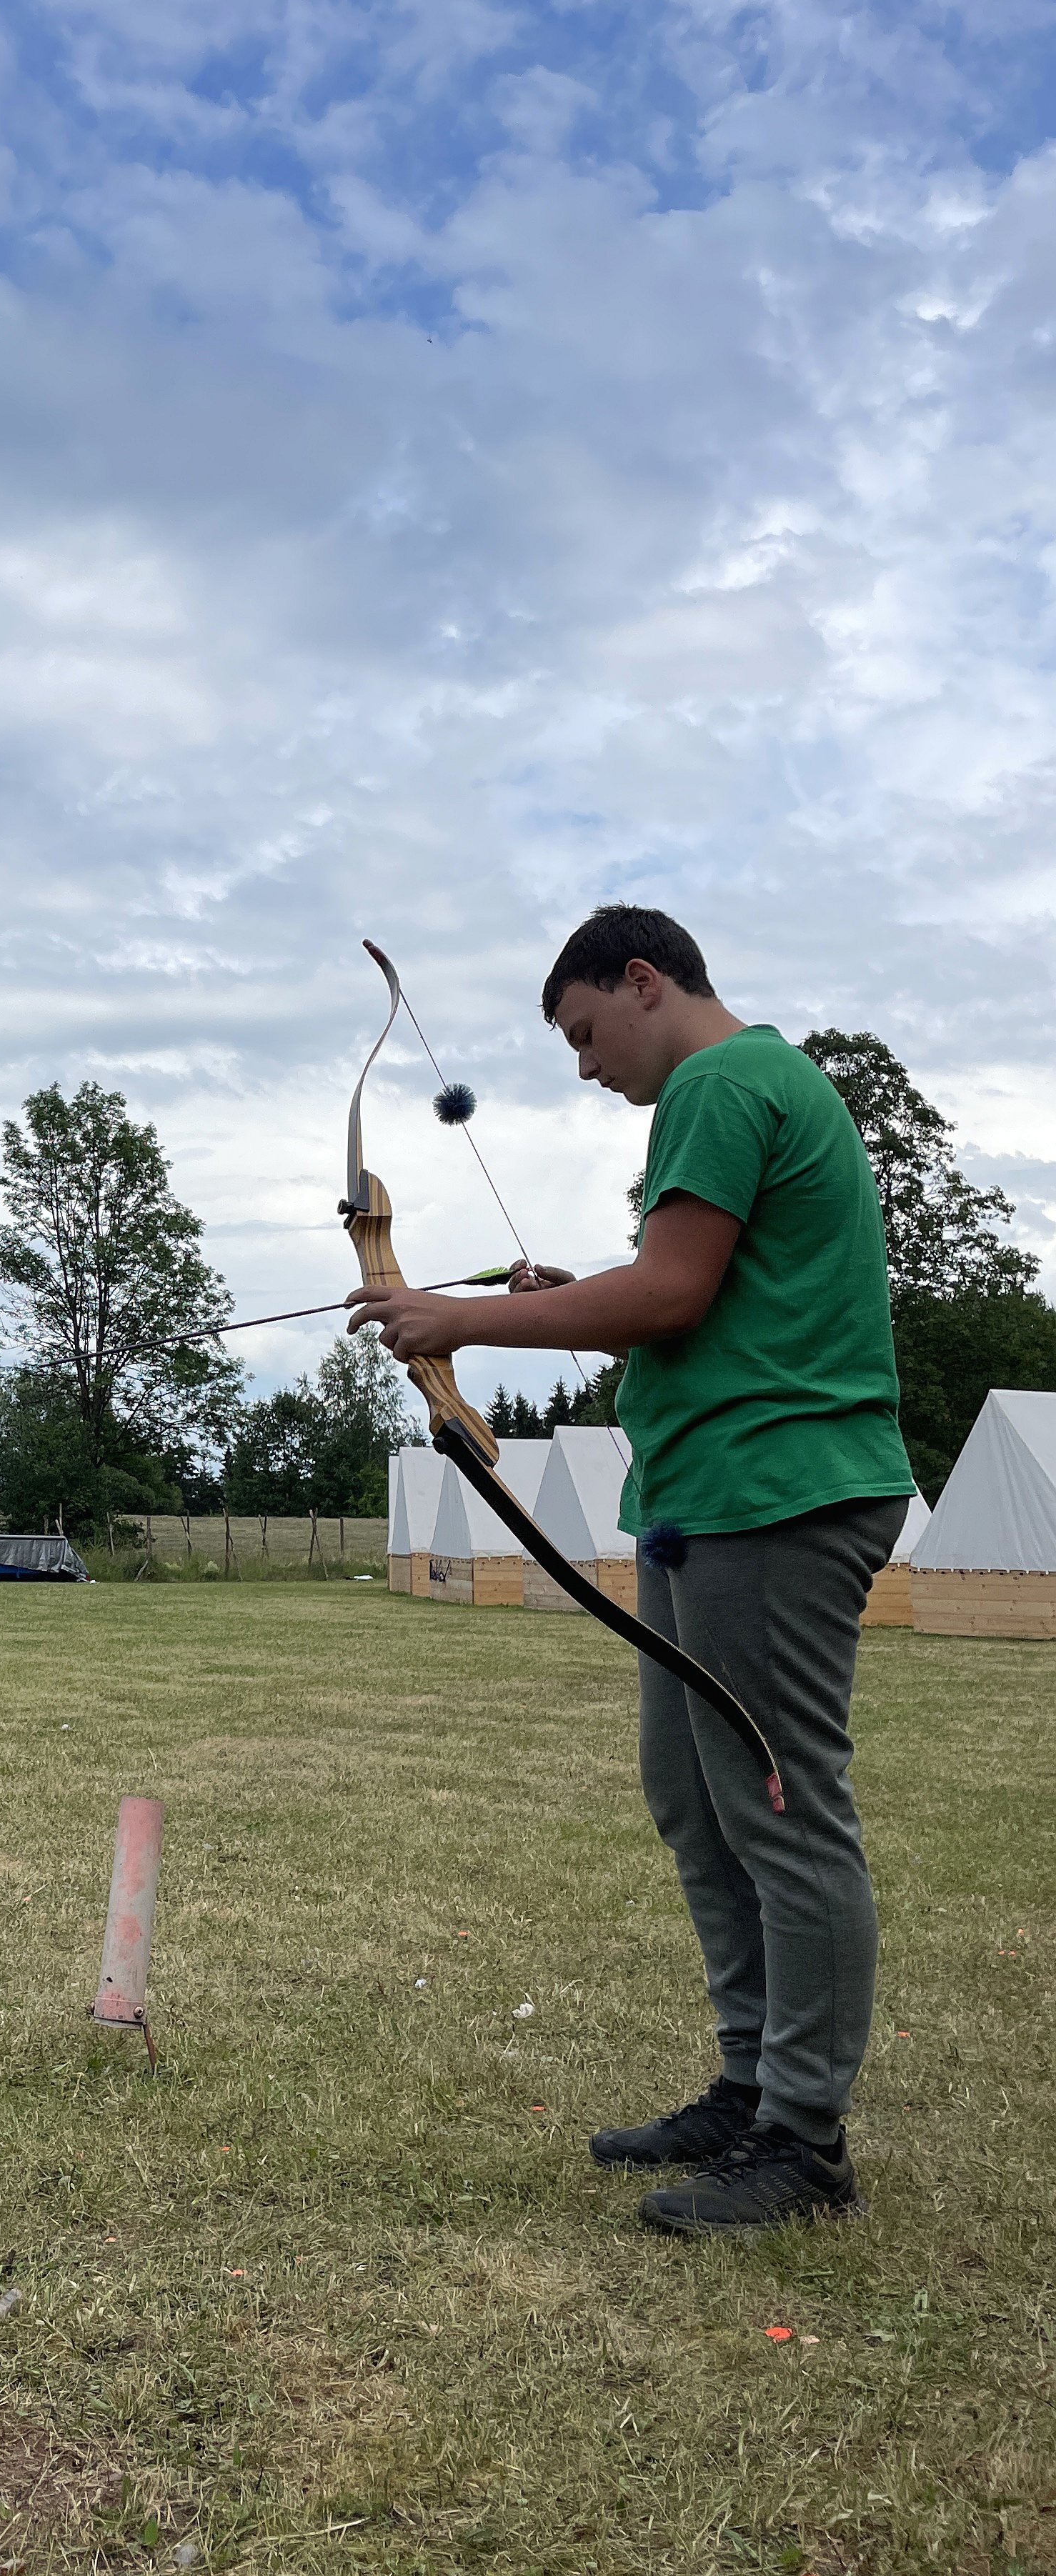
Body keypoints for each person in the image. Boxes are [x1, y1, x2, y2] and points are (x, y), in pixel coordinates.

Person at [345, 904, 915, 2235]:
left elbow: (669, 1295)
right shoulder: (749, 1086)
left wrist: (456, 1319)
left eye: (587, 1032)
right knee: (698, 1798)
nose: (588, 1066)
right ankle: (752, 2083)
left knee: (780, 1805)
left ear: (644, 981)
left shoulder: (722, 1083)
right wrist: (551, 1295)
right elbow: (694, 1290)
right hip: (711, 1496)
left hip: (776, 1492)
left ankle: (803, 2140)